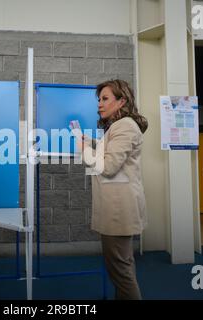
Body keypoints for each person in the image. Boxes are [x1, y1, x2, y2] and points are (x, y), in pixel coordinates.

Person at [78, 79, 148, 300]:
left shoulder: (125, 125)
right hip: (116, 210)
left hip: (119, 211)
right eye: (99, 99)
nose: (100, 104)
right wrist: (90, 142)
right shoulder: (118, 127)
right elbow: (110, 151)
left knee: (121, 272)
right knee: (121, 268)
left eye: (105, 98)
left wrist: (84, 150)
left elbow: (108, 166)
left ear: (121, 101)